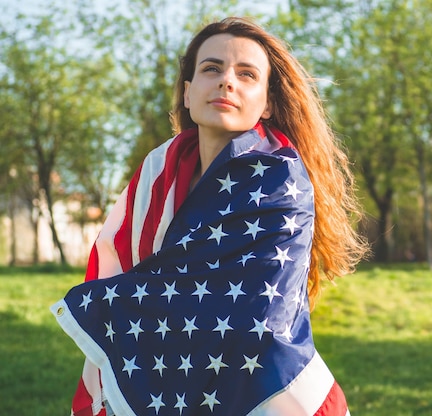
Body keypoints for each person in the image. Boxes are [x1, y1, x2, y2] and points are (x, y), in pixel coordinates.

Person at [51, 17, 367, 416]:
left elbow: (254, 315)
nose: (226, 81)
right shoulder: (156, 175)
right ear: (187, 92)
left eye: (246, 74)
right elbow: (125, 268)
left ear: (267, 102)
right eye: (211, 68)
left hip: (267, 393)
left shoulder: (280, 181)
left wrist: (110, 304)